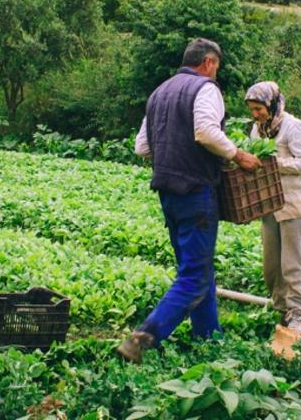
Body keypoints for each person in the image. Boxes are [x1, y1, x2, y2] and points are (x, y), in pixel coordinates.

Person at [117, 38, 262, 363]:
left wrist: (173, 154)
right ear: (209, 63)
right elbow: (206, 132)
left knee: (197, 269)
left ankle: (209, 339)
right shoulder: (205, 89)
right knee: (195, 276)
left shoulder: (160, 92)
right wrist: (238, 155)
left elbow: (142, 147)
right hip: (196, 191)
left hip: (168, 194)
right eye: (216, 68)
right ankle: (143, 337)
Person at [245, 81, 301, 335]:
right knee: (272, 264)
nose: (255, 115)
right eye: (252, 110)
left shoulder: (293, 127)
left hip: (296, 204)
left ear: (273, 104)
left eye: (259, 108)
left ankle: (300, 313)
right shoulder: (258, 131)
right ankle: (282, 308)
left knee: (294, 262)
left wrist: (274, 163)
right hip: (270, 204)